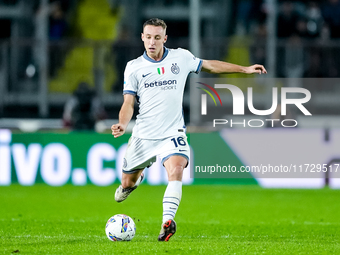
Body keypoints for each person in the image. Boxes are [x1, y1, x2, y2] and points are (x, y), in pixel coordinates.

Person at [111, 18, 267, 242]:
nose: (152, 42)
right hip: (144, 135)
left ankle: (167, 222)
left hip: (173, 132)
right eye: (148, 37)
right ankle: (133, 182)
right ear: (142, 38)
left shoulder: (181, 57)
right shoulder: (134, 67)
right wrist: (123, 124)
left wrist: (244, 69)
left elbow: (210, 65)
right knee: (126, 183)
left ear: (165, 38)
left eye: (157, 37)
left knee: (176, 169)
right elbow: (128, 102)